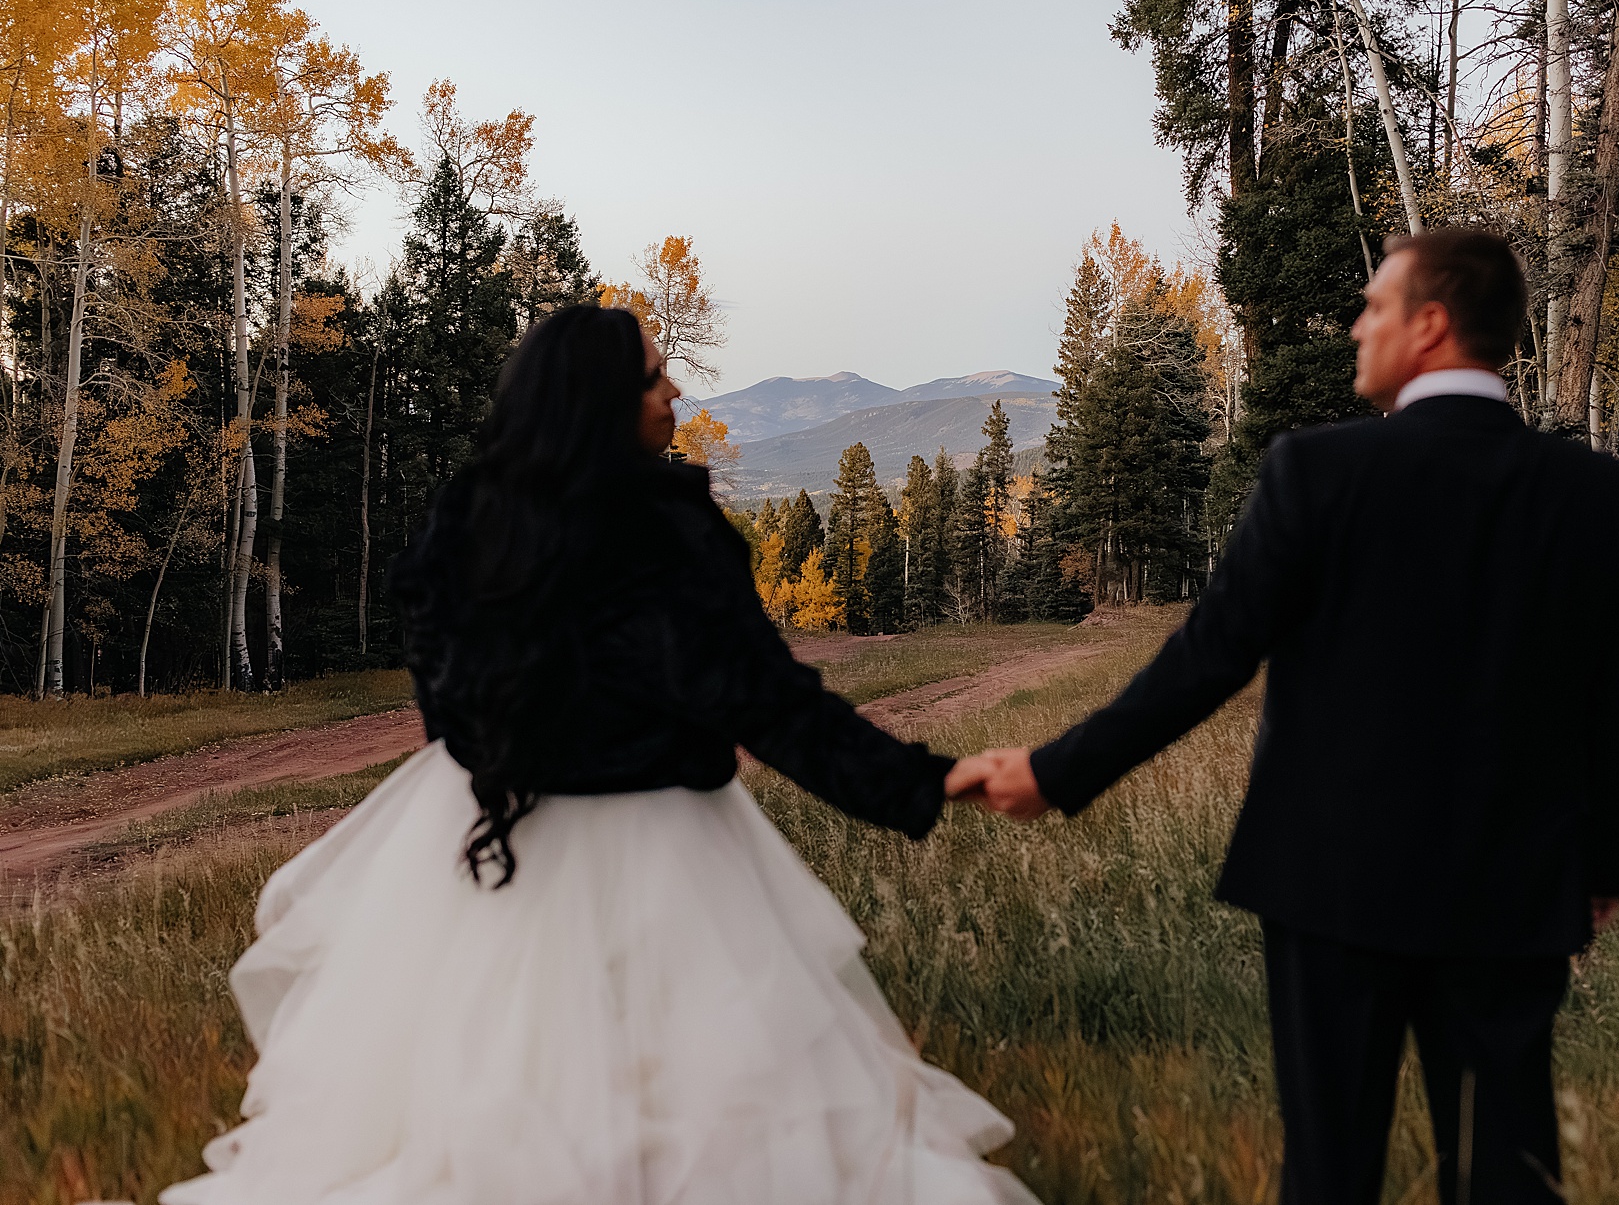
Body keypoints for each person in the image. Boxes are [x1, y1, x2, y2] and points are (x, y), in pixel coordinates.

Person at [161, 306, 1039, 1205]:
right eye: (656, 378)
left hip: (490, 826)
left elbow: (436, 658)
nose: (675, 391)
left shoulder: (472, 518)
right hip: (665, 845)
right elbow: (765, 698)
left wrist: (492, 746)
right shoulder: (667, 529)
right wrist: (923, 781)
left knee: (500, 1074)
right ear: (600, 401)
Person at [949, 228, 1619, 1204]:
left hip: (1332, 884)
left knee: (1328, 1171)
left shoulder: (1318, 473)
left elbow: (1211, 656)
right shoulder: (1602, 496)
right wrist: (1603, 864)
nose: (1356, 326)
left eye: (1374, 306)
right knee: (1507, 1168)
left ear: (1430, 324)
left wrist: (1058, 770)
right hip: (1515, 882)